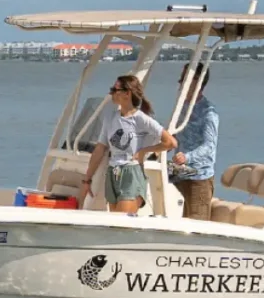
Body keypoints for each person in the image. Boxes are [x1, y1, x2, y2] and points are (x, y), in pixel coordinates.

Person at [81, 75, 172, 215]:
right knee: (114, 224)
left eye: (115, 89)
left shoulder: (141, 119)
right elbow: (100, 149)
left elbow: (170, 142)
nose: (111, 93)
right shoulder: (110, 117)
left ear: (127, 93)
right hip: (113, 173)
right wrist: (87, 180)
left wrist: (144, 152)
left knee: (121, 222)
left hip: (131, 174)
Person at [169, 74, 220, 219]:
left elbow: (209, 146)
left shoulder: (209, 112)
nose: (179, 81)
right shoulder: (181, 106)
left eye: (184, 77)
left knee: (196, 225)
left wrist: (187, 156)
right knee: (150, 176)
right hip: (180, 172)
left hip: (199, 177)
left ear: (197, 82)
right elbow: (175, 135)